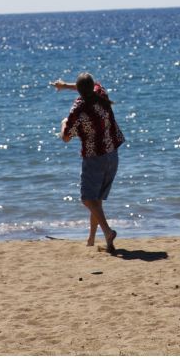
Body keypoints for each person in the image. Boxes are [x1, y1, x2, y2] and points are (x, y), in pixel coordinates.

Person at [52, 73, 126, 253]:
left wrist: (62, 124)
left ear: (80, 90)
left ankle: (108, 232)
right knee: (96, 201)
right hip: (112, 154)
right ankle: (92, 239)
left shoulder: (78, 109)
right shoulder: (101, 94)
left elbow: (66, 138)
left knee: (87, 199)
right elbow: (92, 85)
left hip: (95, 158)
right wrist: (64, 85)